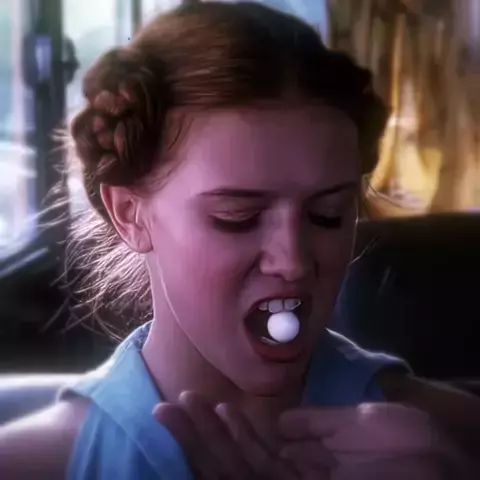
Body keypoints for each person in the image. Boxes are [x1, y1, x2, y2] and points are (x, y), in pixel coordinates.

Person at [1, 2, 480, 479]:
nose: (292, 262)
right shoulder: (29, 465)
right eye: (238, 218)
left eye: (328, 214)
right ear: (130, 214)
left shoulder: (451, 436)